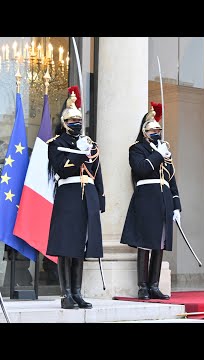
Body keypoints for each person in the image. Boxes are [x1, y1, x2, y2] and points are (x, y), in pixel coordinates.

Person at [46, 86, 105, 309]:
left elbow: (98, 172)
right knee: (66, 246)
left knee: (80, 246)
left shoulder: (89, 143)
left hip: (87, 195)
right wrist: (79, 153)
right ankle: (66, 294)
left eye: (78, 120)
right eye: (71, 120)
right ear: (63, 122)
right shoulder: (56, 144)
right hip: (68, 195)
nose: (76, 124)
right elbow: (62, 168)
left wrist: (100, 198)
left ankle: (78, 292)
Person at [120, 102, 181, 300]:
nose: (156, 132)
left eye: (158, 129)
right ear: (144, 131)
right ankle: (142, 286)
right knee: (145, 242)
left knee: (159, 243)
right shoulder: (136, 149)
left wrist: (176, 205)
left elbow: (170, 179)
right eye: (152, 129)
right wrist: (157, 155)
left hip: (163, 199)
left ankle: (154, 284)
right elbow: (141, 169)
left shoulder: (164, 150)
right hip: (146, 198)